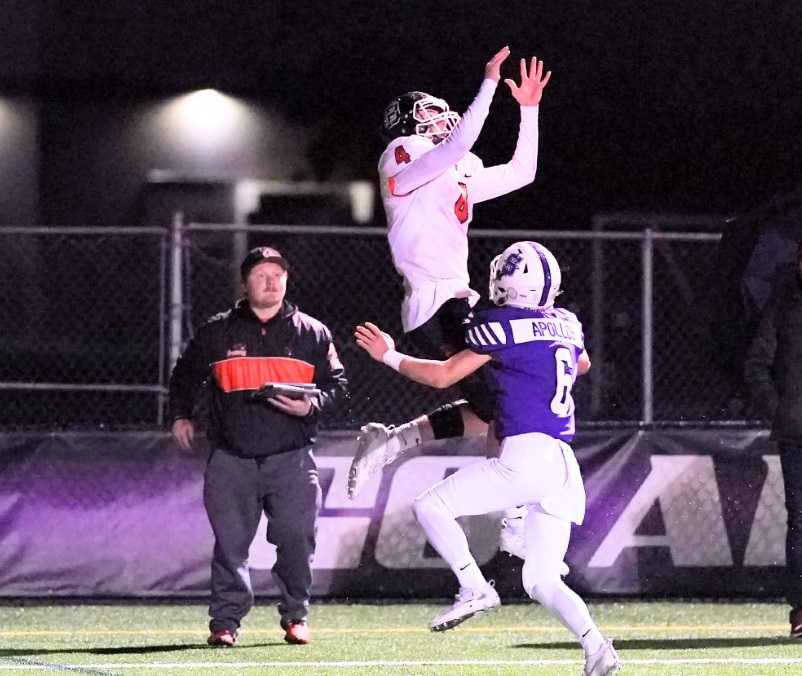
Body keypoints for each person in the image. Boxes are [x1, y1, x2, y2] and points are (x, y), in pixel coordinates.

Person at [355, 241, 620, 676]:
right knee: (540, 580)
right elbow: (583, 364)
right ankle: (597, 648)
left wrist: (386, 354)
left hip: (525, 456)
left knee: (430, 505)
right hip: (563, 463)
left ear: (510, 285)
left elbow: (442, 377)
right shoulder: (568, 325)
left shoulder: (499, 325)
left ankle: (474, 586)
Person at [348, 46, 551, 520]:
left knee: (490, 409)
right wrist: (487, 84)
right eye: (431, 112)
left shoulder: (448, 171)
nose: (442, 118)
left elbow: (524, 172)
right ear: (407, 124)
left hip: (456, 298)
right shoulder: (401, 156)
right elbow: (456, 147)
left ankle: (394, 440)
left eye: (443, 111)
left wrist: (529, 109)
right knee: (506, 403)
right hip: (436, 302)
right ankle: (512, 514)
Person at [168, 246, 348, 647]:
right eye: (262, 274)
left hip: (293, 461)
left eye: (278, 274)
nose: (271, 281)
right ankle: (225, 623)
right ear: (245, 281)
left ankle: (296, 616)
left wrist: (312, 403)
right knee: (230, 548)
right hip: (231, 459)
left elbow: (338, 387)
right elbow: (183, 376)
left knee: (297, 540)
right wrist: (180, 414)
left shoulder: (312, 333)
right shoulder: (217, 332)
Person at [744, 239, 802, 638]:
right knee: (801, 521)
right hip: (798, 432)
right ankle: (801, 609)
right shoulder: (783, 305)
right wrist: (783, 411)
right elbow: (757, 365)